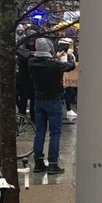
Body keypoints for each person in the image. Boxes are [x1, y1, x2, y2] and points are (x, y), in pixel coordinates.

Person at [28, 37, 76, 174]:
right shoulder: (54, 64)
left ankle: (38, 162)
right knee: (55, 133)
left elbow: (47, 61)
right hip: (53, 100)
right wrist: (69, 55)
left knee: (40, 132)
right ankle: (53, 163)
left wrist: (56, 57)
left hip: (39, 100)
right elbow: (70, 66)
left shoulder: (32, 62)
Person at [16, 32, 37, 122]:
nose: (31, 42)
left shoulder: (37, 48)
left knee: (33, 100)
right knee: (23, 100)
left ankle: (33, 118)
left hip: (33, 79)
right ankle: (22, 117)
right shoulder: (22, 48)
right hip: (23, 78)